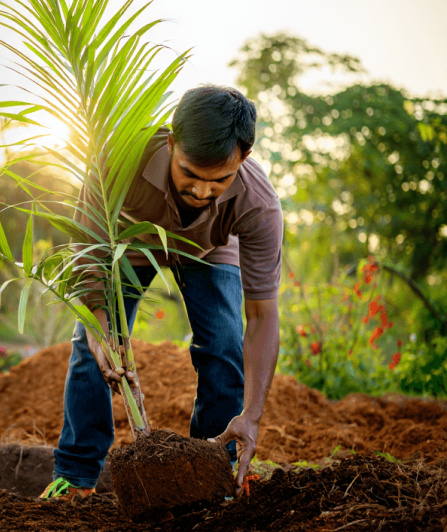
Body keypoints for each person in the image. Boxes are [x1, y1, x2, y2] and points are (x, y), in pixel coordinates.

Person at [39, 85, 283, 501]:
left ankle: (212, 479)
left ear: (243, 159)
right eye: (189, 173)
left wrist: (253, 415)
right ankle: (75, 477)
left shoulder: (259, 205)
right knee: (91, 349)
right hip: (129, 242)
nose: (202, 191)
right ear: (172, 144)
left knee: (224, 345)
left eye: (219, 180)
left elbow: (262, 317)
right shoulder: (118, 162)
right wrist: (102, 332)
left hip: (210, 246)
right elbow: (87, 254)